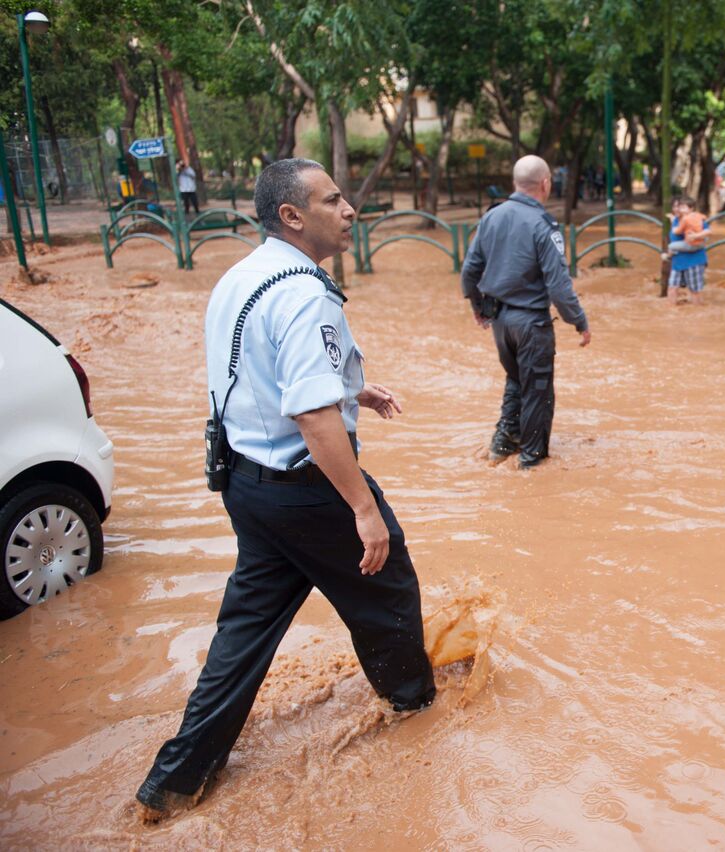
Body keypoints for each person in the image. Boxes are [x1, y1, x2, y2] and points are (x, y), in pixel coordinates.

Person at [134, 158, 435, 817]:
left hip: (246, 481)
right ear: (293, 216)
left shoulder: (243, 274)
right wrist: (363, 508)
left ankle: (175, 782)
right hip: (309, 488)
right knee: (388, 593)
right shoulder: (303, 291)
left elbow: (259, 372)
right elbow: (311, 416)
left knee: (245, 631)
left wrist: (354, 386)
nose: (350, 209)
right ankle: (417, 712)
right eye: (333, 200)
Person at [461, 155, 590, 469]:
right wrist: (579, 321)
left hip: (500, 322)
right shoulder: (543, 225)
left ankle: (502, 444)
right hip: (531, 322)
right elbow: (559, 285)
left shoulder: (491, 218)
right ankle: (532, 462)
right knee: (538, 390)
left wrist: (478, 307)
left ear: (515, 183)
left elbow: (469, 271)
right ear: (546, 183)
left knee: (516, 379)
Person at [664, 196, 710, 306]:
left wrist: (696, 236)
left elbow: (707, 233)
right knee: (672, 288)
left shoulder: (696, 219)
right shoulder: (675, 220)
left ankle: (697, 316)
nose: (677, 209)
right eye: (675, 207)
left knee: (694, 291)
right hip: (677, 262)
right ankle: (671, 313)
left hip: (693, 261)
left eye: (680, 206)